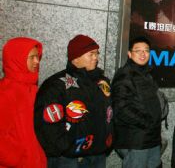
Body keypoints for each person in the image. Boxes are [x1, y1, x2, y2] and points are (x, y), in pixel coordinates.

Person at [34, 35, 113, 168]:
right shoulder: (56, 85)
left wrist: (109, 140)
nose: (96, 57)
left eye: (97, 53)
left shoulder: (102, 82)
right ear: (76, 58)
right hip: (70, 160)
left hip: (98, 156)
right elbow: (47, 124)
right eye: (91, 54)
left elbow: (110, 113)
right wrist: (66, 148)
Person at [112, 36, 162, 168]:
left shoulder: (147, 74)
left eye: (146, 50)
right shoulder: (124, 75)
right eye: (138, 50)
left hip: (152, 138)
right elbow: (122, 108)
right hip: (135, 140)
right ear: (129, 54)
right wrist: (147, 122)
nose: (143, 54)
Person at [0, 37, 47, 168]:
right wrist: (19, 159)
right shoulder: (5, 93)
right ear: (17, 59)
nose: (37, 61)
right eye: (32, 57)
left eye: (38, 57)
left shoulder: (32, 89)